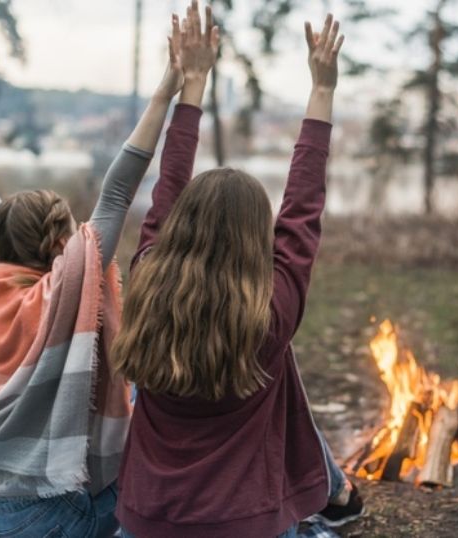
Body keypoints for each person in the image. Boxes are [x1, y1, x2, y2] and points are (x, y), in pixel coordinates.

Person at [0, 15, 188, 538]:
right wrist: (168, 90)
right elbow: (117, 190)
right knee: (151, 438)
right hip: (51, 519)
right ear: (63, 250)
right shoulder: (62, 296)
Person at [111, 8, 364, 538]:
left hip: (146, 523)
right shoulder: (270, 319)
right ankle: (333, 492)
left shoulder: (147, 280)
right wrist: (322, 90)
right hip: (244, 527)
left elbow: (168, 187)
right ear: (258, 241)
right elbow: (302, 211)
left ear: (179, 227)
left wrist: (194, 84)